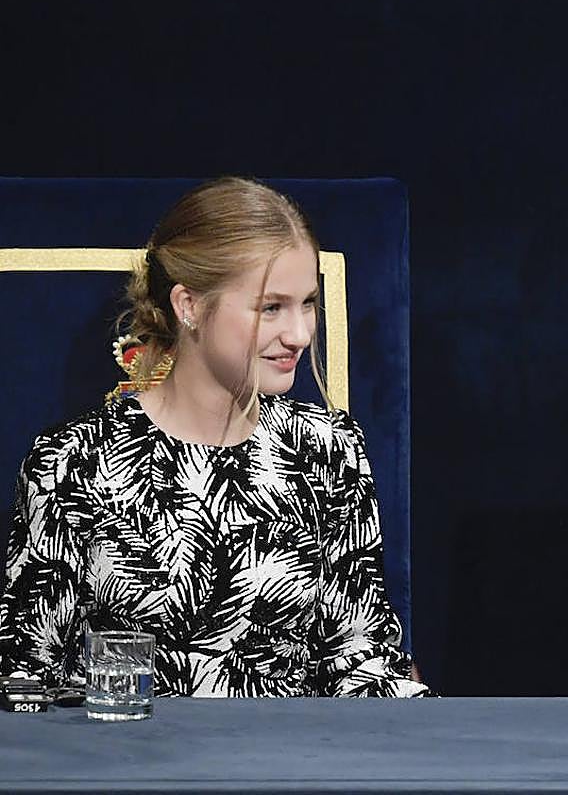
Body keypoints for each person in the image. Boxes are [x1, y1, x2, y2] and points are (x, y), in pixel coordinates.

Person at [0, 177, 427, 697]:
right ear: (190, 306)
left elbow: (363, 663)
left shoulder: (330, 450)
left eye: (308, 303)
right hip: (127, 771)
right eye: (271, 307)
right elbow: (26, 678)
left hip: (289, 772)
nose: (299, 333)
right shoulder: (71, 463)